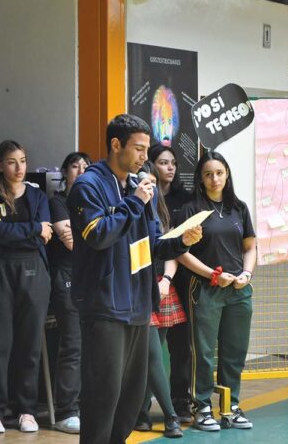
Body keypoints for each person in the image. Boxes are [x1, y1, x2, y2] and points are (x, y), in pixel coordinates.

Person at [67, 113, 202, 444]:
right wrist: (135, 201)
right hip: (105, 305)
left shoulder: (139, 187)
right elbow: (97, 235)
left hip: (139, 304)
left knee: (130, 398)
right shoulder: (90, 185)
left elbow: (152, 245)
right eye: (139, 150)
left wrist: (180, 241)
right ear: (116, 145)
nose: (146, 158)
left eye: (147, 150)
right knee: (104, 395)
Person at [0, 140, 52, 434]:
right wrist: (32, 229)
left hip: (33, 270)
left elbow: (46, 235)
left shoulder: (37, 195)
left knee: (29, 345)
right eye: (11, 161)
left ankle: (26, 410)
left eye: (22, 160)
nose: (19, 168)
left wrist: (20, 233)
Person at [177, 151, 256, 432]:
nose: (215, 179)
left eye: (219, 173)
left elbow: (250, 247)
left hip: (238, 290)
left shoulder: (239, 208)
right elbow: (180, 253)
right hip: (206, 288)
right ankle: (202, 407)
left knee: (235, 351)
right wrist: (212, 275)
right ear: (200, 177)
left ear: (227, 174)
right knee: (204, 351)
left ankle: (230, 406)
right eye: (208, 174)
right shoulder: (191, 211)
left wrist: (246, 274)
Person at [133, 162, 183, 439]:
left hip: (162, 286)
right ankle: (171, 416)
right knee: (152, 356)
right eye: (143, 181)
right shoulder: (130, 206)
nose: (148, 186)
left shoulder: (160, 211)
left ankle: (141, 412)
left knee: (154, 359)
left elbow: (172, 252)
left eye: (152, 182)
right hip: (139, 289)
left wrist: (166, 280)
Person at [148, 143, 193, 421]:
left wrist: (168, 276)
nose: (170, 167)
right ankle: (142, 408)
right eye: (163, 162)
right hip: (149, 276)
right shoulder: (143, 196)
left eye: (173, 163)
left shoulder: (184, 199)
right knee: (150, 350)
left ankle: (181, 400)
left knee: (181, 345)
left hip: (179, 277)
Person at [47, 151, 90, 434]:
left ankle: (87, 404)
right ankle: (66, 410)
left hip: (90, 277)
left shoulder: (91, 202)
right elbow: (71, 241)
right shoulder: (58, 201)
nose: (81, 170)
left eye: (86, 167)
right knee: (72, 344)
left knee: (92, 345)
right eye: (75, 166)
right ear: (65, 172)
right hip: (66, 277)